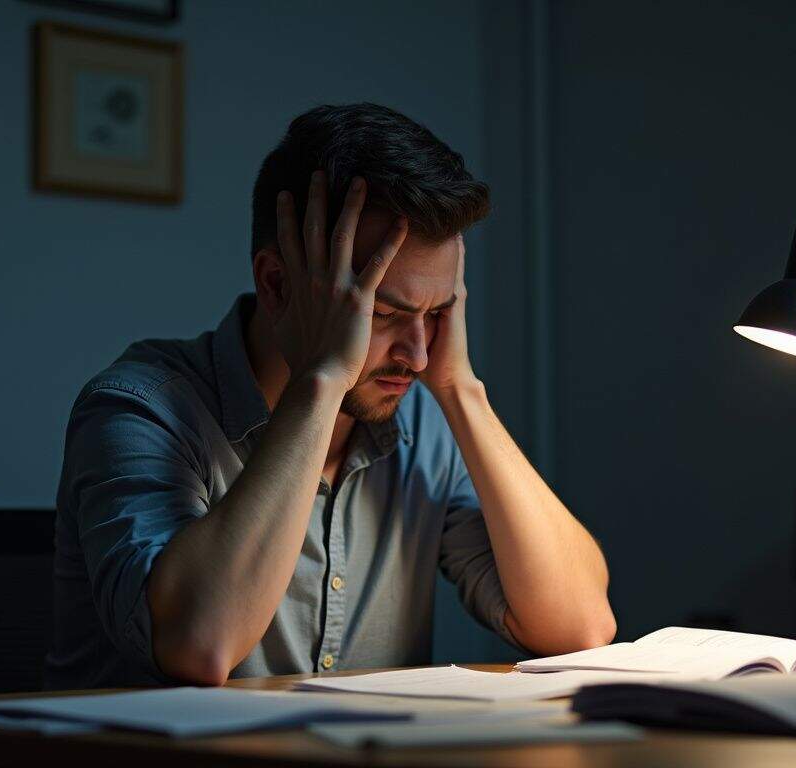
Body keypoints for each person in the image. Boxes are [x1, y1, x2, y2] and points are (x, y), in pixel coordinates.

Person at [46, 103, 615, 688]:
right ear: (277, 285)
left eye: (439, 313)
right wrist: (321, 380)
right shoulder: (136, 409)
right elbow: (200, 645)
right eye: (385, 313)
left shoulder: (421, 415)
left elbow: (580, 627)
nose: (419, 355)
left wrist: (461, 391)